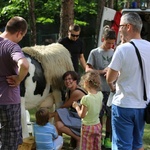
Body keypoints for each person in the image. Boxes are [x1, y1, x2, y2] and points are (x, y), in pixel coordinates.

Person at [106, 12, 150, 150]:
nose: (118, 30)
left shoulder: (122, 49)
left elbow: (110, 78)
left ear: (128, 27)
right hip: (143, 106)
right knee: (137, 145)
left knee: (122, 146)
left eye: (120, 26)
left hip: (124, 105)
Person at [0, 16, 29, 150]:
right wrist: (18, 79)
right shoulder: (12, 46)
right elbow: (24, 64)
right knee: (9, 144)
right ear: (19, 33)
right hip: (8, 103)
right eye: (22, 36)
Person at [86, 25, 116, 148]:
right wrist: (101, 72)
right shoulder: (94, 52)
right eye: (108, 43)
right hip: (98, 90)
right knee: (98, 115)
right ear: (103, 39)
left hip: (112, 90)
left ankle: (108, 138)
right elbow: (88, 69)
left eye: (112, 44)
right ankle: (97, 137)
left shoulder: (115, 52)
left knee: (110, 115)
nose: (110, 46)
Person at [50, 71, 87, 149]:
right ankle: (59, 141)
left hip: (83, 120)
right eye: (65, 79)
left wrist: (50, 115)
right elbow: (64, 106)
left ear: (75, 80)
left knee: (57, 113)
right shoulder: (70, 91)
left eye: (70, 79)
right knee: (58, 124)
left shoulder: (77, 92)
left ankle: (76, 139)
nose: (67, 81)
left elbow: (65, 106)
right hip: (75, 116)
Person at [72, 70, 103, 150]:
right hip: (97, 125)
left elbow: (82, 115)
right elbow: (97, 108)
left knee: (86, 147)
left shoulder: (85, 98)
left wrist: (76, 107)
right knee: (96, 146)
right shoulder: (100, 94)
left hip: (87, 127)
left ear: (85, 83)